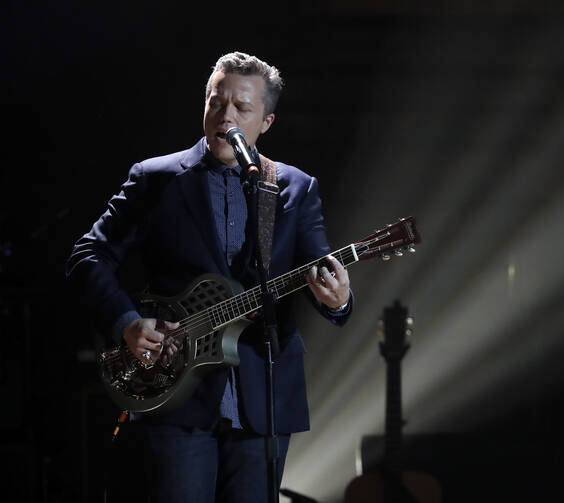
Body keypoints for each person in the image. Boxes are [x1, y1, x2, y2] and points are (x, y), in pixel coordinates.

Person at [66, 51, 353, 502]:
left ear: (267, 122)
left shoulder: (295, 187)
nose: (226, 116)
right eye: (216, 103)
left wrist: (336, 299)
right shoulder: (156, 178)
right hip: (176, 392)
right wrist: (126, 323)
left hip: (264, 396)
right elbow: (88, 255)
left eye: (242, 108)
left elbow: (319, 272)